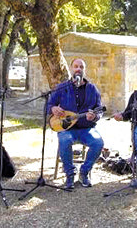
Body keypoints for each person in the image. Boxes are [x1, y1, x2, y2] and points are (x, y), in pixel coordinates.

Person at [47, 58, 105, 189]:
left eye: (81, 67)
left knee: (98, 143)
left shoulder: (92, 89)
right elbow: (49, 104)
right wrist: (53, 109)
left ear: (84, 70)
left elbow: (100, 109)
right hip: (67, 128)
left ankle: (84, 172)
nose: (78, 69)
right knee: (65, 140)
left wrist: (95, 116)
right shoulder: (63, 87)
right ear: (71, 68)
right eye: (76, 66)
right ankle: (70, 174)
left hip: (86, 128)